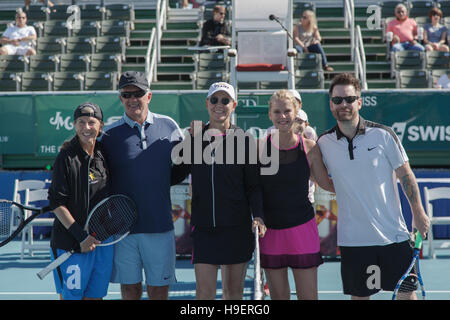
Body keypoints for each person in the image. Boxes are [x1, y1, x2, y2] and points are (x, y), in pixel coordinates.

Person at [317, 73, 430, 300]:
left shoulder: (384, 135)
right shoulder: (323, 143)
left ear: (359, 101)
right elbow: (320, 180)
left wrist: (419, 213)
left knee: (406, 296)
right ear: (331, 104)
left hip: (394, 236)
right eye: (337, 100)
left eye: (349, 99)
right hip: (353, 241)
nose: (343, 105)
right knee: (360, 298)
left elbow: (406, 175)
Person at [171, 82, 266, 300]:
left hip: (237, 229)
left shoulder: (245, 141)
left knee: (233, 294)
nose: (219, 105)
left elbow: (254, 186)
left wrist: (259, 215)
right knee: (204, 294)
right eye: (214, 100)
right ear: (207, 104)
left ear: (234, 105)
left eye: (225, 100)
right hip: (204, 230)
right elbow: (175, 175)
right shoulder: (195, 138)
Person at [100, 71, 184, 300]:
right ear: (120, 98)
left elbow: (182, 169)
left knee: (158, 291)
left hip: (160, 227)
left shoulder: (170, 127)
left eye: (138, 93)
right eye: (127, 94)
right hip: (123, 231)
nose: (132, 98)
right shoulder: (106, 135)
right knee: (130, 291)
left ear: (149, 96)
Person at [258, 89, 334, 300]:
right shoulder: (258, 148)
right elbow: (251, 188)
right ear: (269, 114)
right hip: (270, 233)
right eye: (277, 111)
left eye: (287, 111)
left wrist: (361, 183)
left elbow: (326, 184)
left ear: (297, 111)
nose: (282, 116)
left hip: (302, 229)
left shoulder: (310, 148)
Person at [48, 102, 112, 300]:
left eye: (91, 122)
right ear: (75, 125)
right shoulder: (66, 157)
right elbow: (57, 203)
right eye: (81, 122)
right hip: (72, 244)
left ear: (100, 126)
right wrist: (81, 237)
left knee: (95, 298)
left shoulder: (103, 154)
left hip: (101, 243)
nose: (86, 127)